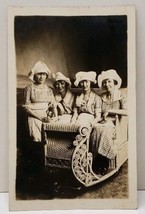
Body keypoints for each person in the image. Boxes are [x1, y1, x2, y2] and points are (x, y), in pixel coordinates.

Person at [23, 61, 57, 176]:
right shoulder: (29, 88)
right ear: (34, 75)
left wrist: (52, 112)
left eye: (44, 74)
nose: (41, 77)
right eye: (39, 74)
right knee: (37, 144)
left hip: (46, 118)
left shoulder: (49, 90)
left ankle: (49, 167)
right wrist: (40, 117)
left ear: (46, 76)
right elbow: (26, 108)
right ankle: (37, 170)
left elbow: (52, 105)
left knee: (50, 141)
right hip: (34, 117)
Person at [90, 69, 127, 175]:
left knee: (105, 129)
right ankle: (96, 159)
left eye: (109, 81)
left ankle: (103, 161)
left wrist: (110, 111)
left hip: (118, 124)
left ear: (115, 82)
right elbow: (98, 113)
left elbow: (126, 111)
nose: (107, 84)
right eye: (105, 82)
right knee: (96, 128)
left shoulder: (121, 96)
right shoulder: (102, 97)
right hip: (104, 122)